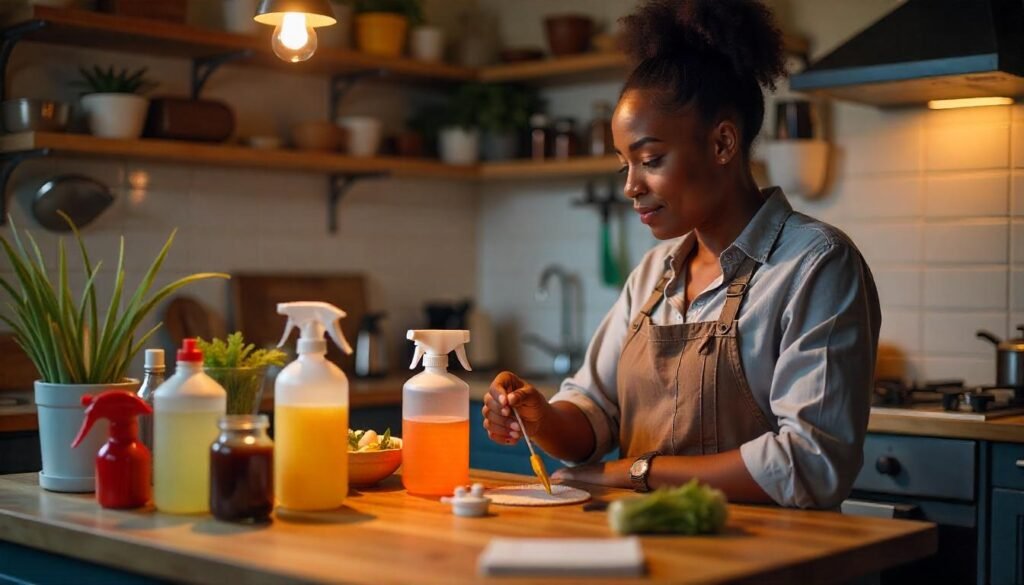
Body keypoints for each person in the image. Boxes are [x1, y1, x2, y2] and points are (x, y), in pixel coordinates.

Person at [481, 0, 881, 509]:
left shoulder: (816, 264)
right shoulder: (653, 274)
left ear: (722, 143)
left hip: (767, 556)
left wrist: (637, 473)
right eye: (624, 164)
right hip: (650, 545)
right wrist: (542, 418)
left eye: (650, 160)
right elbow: (595, 415)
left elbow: (810, 464)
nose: (631, 186)